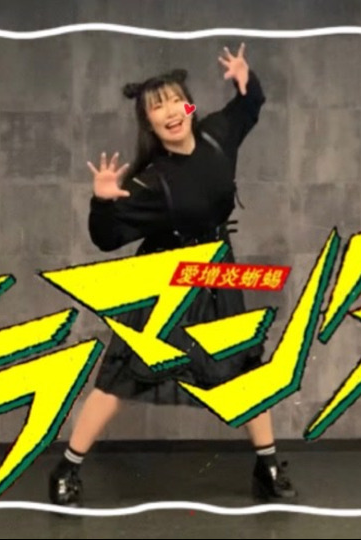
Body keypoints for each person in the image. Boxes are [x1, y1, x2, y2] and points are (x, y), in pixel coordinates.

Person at [48, 43, 297, 507]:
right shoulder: (151, 181)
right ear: (148, 122)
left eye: (174, 101)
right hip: (167, 279)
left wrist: (247, 79)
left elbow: (250, 105)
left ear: (189, 107)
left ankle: (267, 467)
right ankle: (67, 467)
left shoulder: (218, 136)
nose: (169, 112)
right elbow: (106, 238)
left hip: (217, 273)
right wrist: (102, 200)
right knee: (124, 371)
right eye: (156, 107)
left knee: (244, 366)